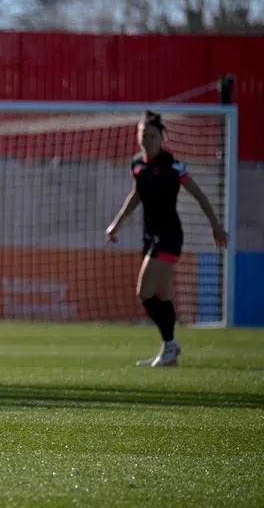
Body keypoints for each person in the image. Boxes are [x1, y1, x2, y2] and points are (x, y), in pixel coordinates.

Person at [105, 110, 228, 367]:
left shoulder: (173, 166)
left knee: (144, 292)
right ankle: (169, 349)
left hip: (169, 235)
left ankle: (170, 346)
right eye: (143, 135)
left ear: (162, 138)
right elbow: (136, 196)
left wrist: (216, 226)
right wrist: (116, 224)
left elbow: (198, 194)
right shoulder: (137, 165)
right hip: (150, 236)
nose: (147, 140)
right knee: (161, 295)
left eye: (152, 136)